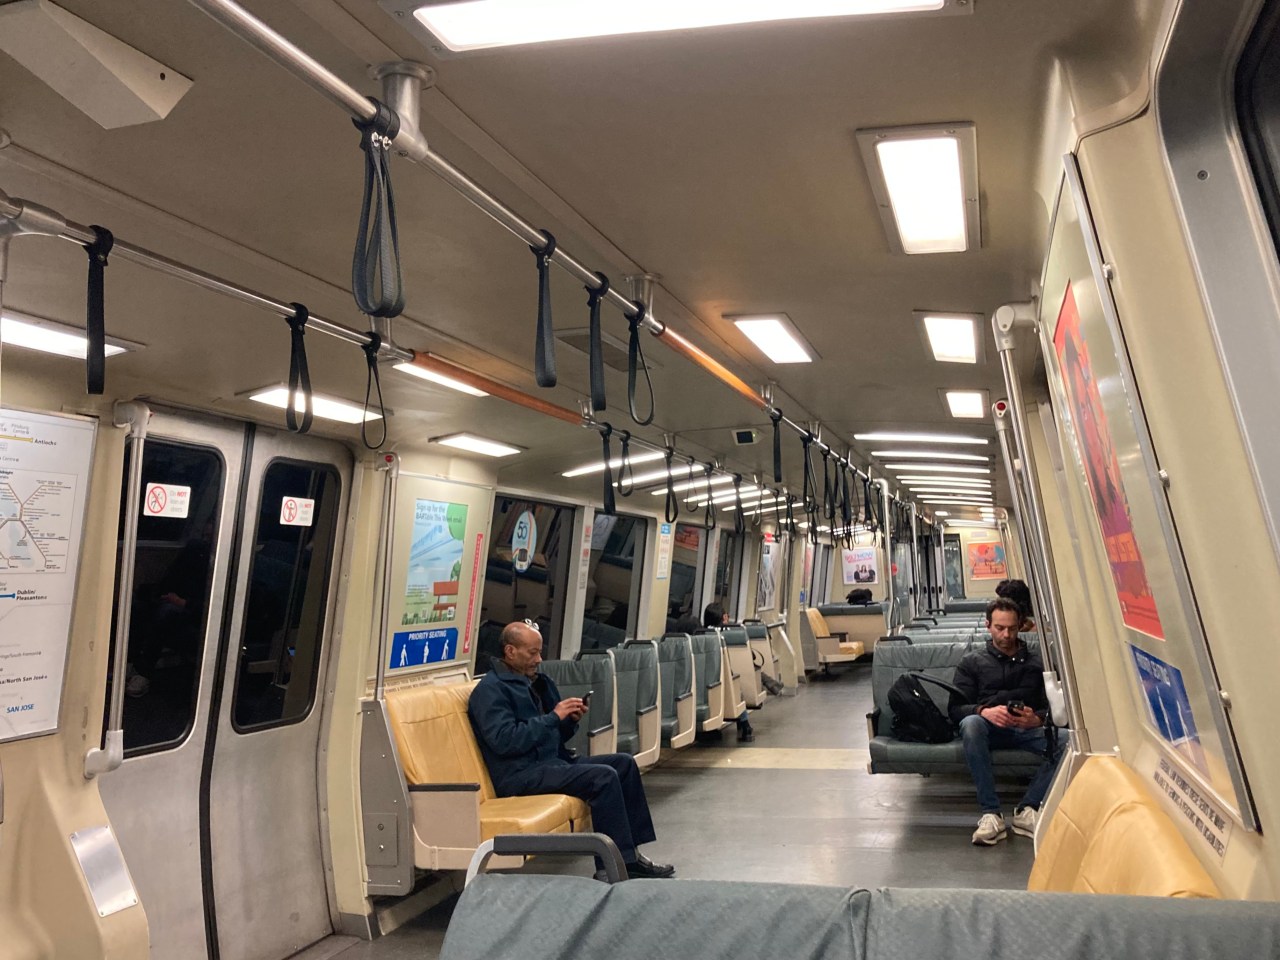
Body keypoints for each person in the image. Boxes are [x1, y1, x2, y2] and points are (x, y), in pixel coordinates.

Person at [467, 621, 675, 879]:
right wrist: (553, 717)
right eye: (533, 653)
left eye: (540, 652)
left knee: (624, 764)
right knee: (603, 777)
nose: (539, 659)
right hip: (519, 774)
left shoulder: (537, 683)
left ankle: (630, 857)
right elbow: (504, 740)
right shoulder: (490, 691)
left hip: (550, 763)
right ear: (510, 651)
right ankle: (610, 867)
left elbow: (554, 734)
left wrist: (568, 721)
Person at [948, 597, 1065, 846]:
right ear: (988, 626)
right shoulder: (972, 662)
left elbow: (1056, 707)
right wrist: (983, 711)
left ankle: (1028, 808)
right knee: (971, 724)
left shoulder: (1038, 663)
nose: (1006, 635)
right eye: (1000, 628)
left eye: (1012, 628)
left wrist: (1038, 718)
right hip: (987, 728)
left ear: (1020, 626)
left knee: (1069, 742)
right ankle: (991, 812)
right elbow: (955, 709)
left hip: (1026, 729)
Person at [703, 603, 755, 742]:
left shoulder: (700, 635)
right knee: (735, 690)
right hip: (726, 676)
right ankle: (745, 725)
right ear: (724, 617)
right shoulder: (732, 633)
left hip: (706, 680)